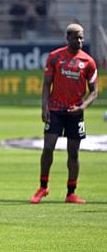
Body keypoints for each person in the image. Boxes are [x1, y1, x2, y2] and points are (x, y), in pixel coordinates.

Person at [30, 23, 98, 204]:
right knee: (48, 148)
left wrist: (82, 108)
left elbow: (94, 91)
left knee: (73, 153)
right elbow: (46, 84)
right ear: (68, 38)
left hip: (75, 112)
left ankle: (71, 193)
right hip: (55, 109)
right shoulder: (55, 57)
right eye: (76, 37)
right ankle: (43, 187)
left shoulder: (88, 62)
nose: (80, 40)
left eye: (82, 37)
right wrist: (44, 107)